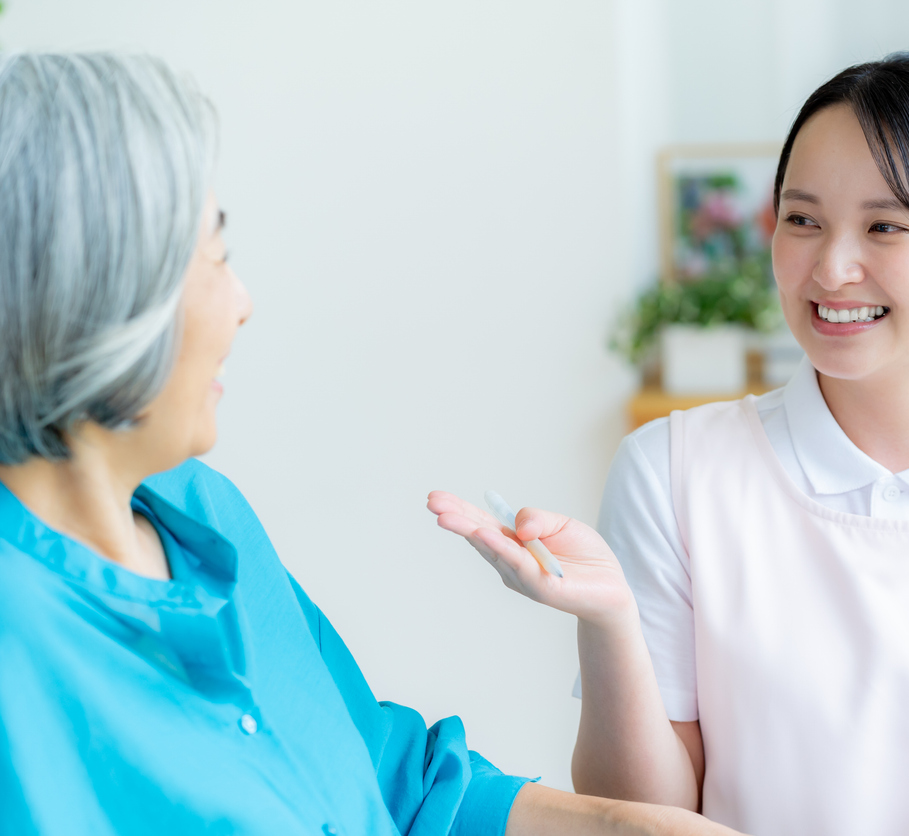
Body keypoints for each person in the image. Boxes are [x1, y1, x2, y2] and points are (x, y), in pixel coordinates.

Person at [428, 54, 909, 836]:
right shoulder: (672, 471)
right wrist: (610, 625)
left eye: (885, 227)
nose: (832, 268)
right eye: (803, 220)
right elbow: (644, 820)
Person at [0, 53, 747, 836]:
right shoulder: (22, 648)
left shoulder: (200, 513)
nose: (243, 304)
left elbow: (392, 782)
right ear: (99, 297)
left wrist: (632, 828)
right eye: (215, 257)